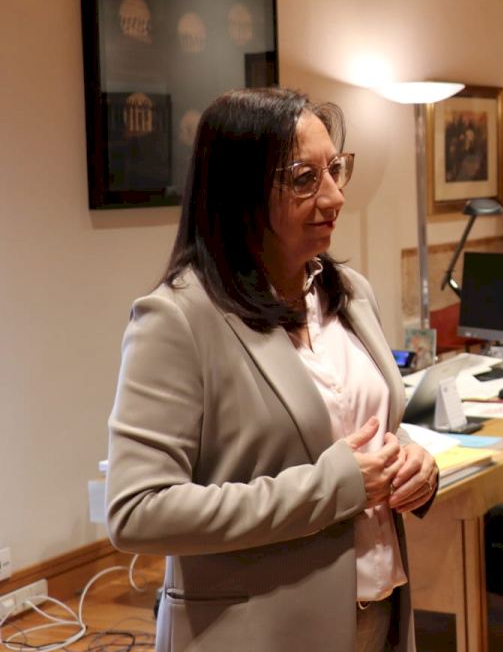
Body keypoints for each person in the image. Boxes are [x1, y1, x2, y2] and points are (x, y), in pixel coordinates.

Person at [106, 87, 438, 651]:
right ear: (240, 193)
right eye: (304, 179)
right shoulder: (178, 319)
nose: (334, 196)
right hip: (258, 630)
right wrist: (334, 487)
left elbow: (354, 429)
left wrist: (413, 462)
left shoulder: (351, 293)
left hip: (378, 611)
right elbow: (138, 511)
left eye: (335, 169)